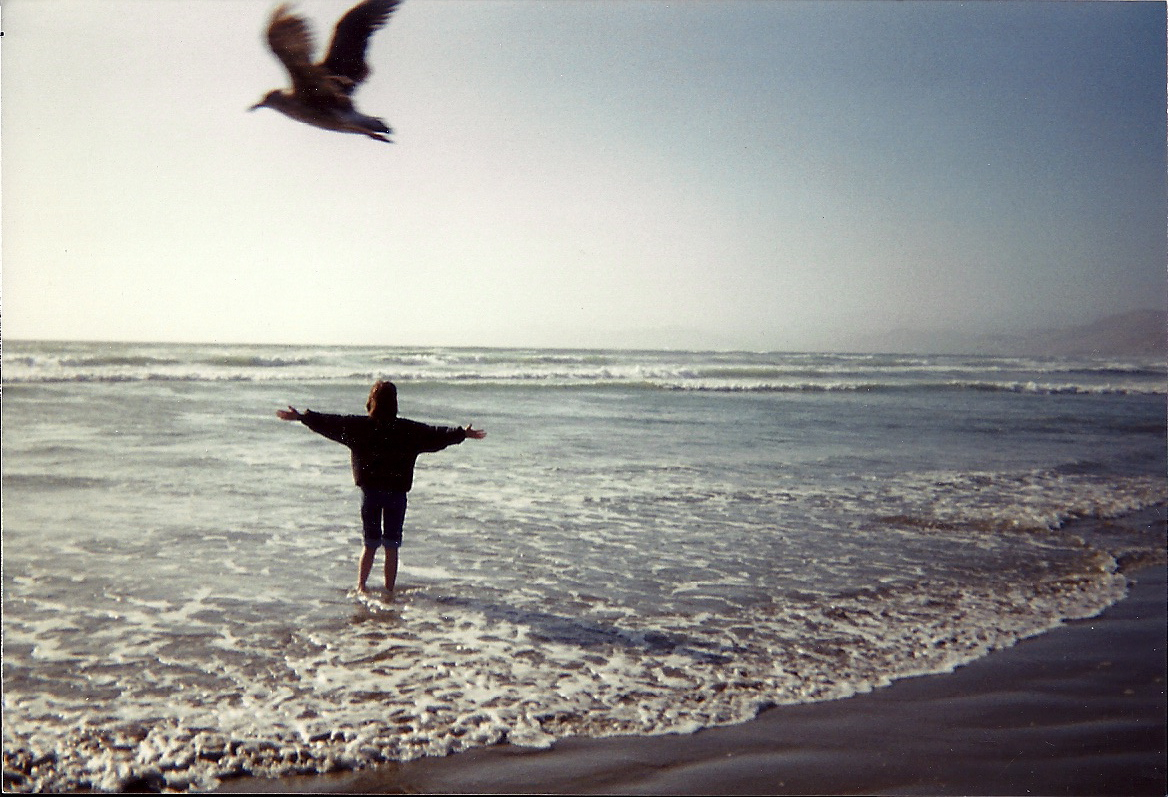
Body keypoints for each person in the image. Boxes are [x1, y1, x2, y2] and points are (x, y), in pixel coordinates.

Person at [277, 380, 485, 592]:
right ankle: (389, 591)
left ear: (371, 401)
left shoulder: (359, 428)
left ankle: (361, 587)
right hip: (397, 495)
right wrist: (462, 433)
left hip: (371, 494)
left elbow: (331, 423)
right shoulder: (407, 430)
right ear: (395, 403)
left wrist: (303, 417)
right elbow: (436, 434)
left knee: (370, 544)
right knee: (392, 546)